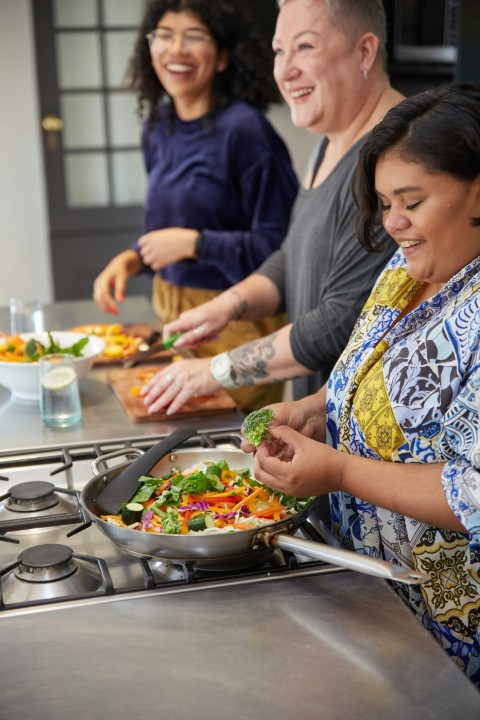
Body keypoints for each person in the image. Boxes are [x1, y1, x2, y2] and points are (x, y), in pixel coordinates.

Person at [241, 82, 480, 686]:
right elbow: (367, 377)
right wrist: (318, 410)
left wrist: (341, 472)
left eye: (412, 201)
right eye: (383, 203)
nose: (394, 223)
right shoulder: (406, 267)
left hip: (449, 631)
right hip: (367, 590)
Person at [140, 0, 400, 417]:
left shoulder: (393, 156)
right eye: (280, 51)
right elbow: (292, 254)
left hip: (368, 432)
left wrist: (217, 369)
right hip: (321, 419)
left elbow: (339, 321)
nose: (285, 70)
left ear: (364, 52)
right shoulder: (328, 144)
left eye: (305, 47)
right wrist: (228, 305)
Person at [92, 0, 299, 413]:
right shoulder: (158, 126)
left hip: (239, 326)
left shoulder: (246, 131)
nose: (176, 50)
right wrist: (134, 259)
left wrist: (197, 245)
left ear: (223, 56)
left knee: (226, 454)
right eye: (164, 35)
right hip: (170, 315)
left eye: (195, 37)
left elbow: (283, 250)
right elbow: (177, 225)